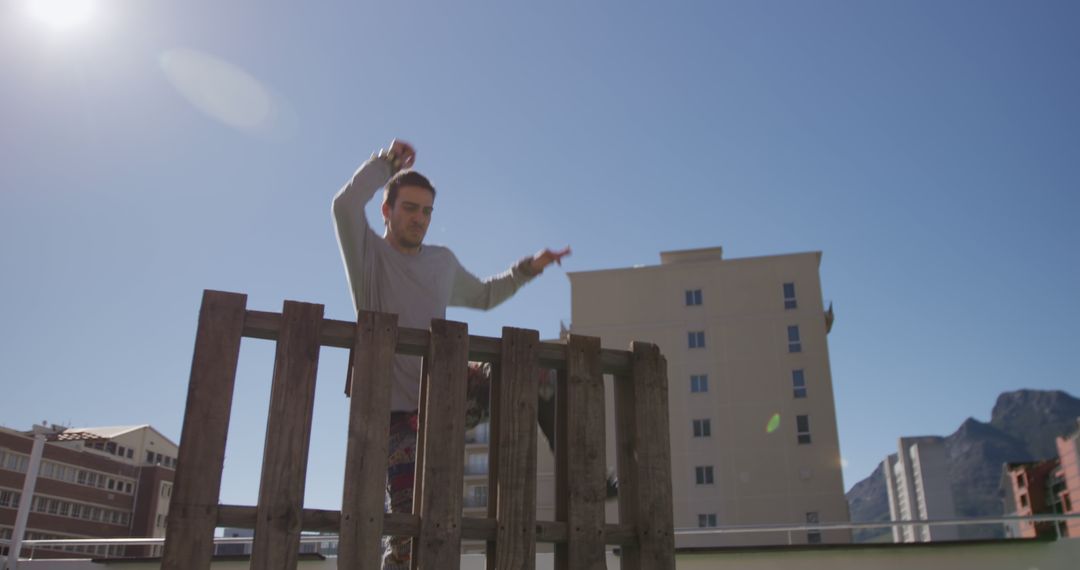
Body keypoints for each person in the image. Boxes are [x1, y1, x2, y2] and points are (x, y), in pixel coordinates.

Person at [332, 139, 569, 569]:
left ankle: (576, 476)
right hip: (393, 415)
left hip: (446, 398)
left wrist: (527, 270)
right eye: (410, 208)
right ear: (387, 211)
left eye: (427, 212)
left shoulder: (441, 263)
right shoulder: (370, 256)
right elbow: (345, 206)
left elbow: (484, 296)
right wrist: (385, 165)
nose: (419, 219)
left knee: (535, 374)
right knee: (407, 524)